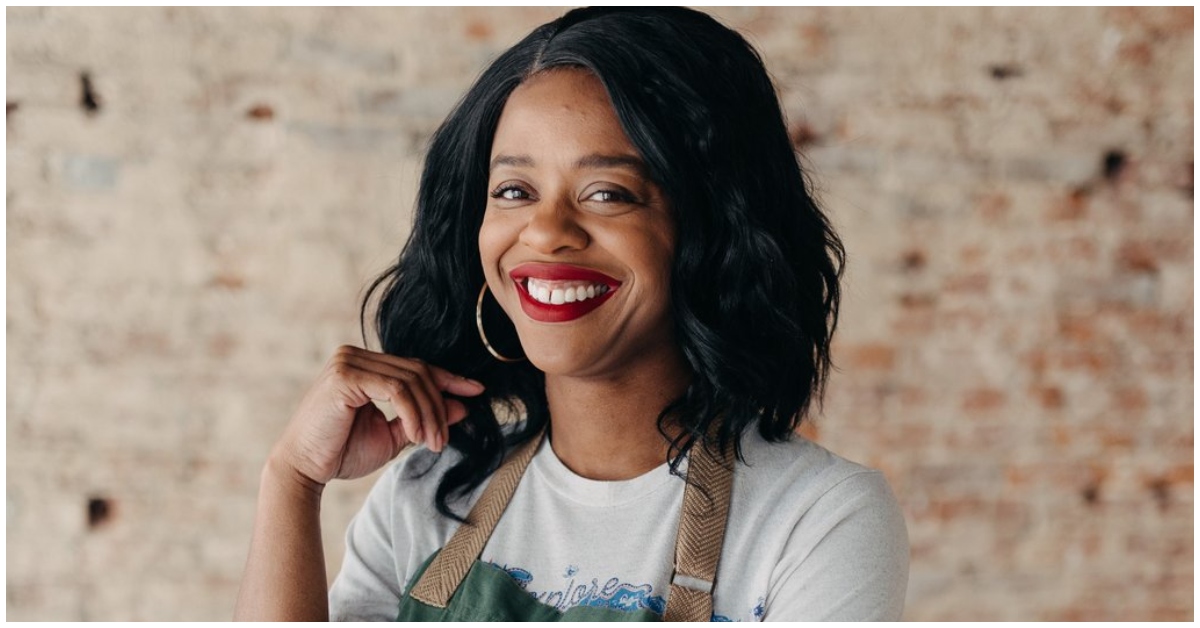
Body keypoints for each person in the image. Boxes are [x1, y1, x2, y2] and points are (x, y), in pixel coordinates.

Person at [235, 6, 909, 622]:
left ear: (712, 228)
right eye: (514, 190)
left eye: (608, 193)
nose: (546, 231)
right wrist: (292, 479)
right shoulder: (427, 492)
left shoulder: (818, 518)